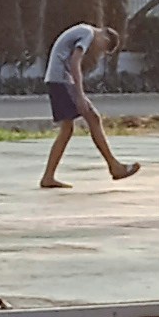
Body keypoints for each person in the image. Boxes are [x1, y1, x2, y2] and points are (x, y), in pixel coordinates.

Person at [40, 12, 136, 189]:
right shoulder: (88, 33)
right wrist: (80, 94)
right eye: (102, 47)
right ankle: (114, 166)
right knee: (91, 117)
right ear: (104, 36)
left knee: (70, 128)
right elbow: (75, 62)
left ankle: (48, 177)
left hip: (59, 78)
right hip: (60, 79)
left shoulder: (83, 31)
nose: (98, 50)